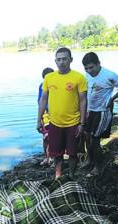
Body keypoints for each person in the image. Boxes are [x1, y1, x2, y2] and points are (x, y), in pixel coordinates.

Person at [38, 47, 87, 179]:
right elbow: (43, 99)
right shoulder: (49, 78)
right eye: (58, 59)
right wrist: (39, 120)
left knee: (72, 153)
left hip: (73, 123)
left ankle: (71, 176)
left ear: (70, 60)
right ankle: (58, 176)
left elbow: (83, 101)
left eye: (64, 59)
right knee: (56, 153)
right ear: (55, 61)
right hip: (54, 123)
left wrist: (82, 123)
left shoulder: (79, 77)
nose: (61, 62)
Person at [82, 52, 118, 177]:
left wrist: (112, 98)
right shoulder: (87, 75)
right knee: (86, 136)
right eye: (86, 68)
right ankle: (89, 160)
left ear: (98, 64)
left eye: (91, 67)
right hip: (90, 110)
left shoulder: (109, 75)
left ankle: (97, 167)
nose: (89, 71)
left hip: (102, 112)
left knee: (95, 140)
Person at [37, 67, 54, 166]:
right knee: (46, 137)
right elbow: (40, 102)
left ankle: (52, 157)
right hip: (45, 115)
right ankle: (47, 157)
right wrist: (39, 119)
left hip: (56, 115)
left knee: (54, 137)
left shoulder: (57, 86)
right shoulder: (42, 86)